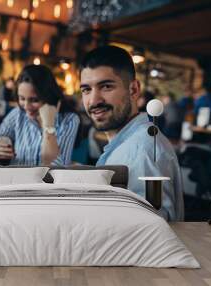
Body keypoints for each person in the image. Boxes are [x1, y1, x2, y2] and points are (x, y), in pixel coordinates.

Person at [79, 45, 184, 221]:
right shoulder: (129, 142)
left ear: (133, 90)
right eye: (86, 90)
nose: (94, 100)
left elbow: (151, 229)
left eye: (106, 86)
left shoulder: (141, 150)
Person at [0, 64, 80, 165]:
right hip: (15, 181)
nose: (26, 106)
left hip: (47, 183)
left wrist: (48, 126)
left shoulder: (70, 119)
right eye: (22, 98)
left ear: (48, 96)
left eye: (34, 100)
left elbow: (56, 167)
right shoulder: (17, 115)